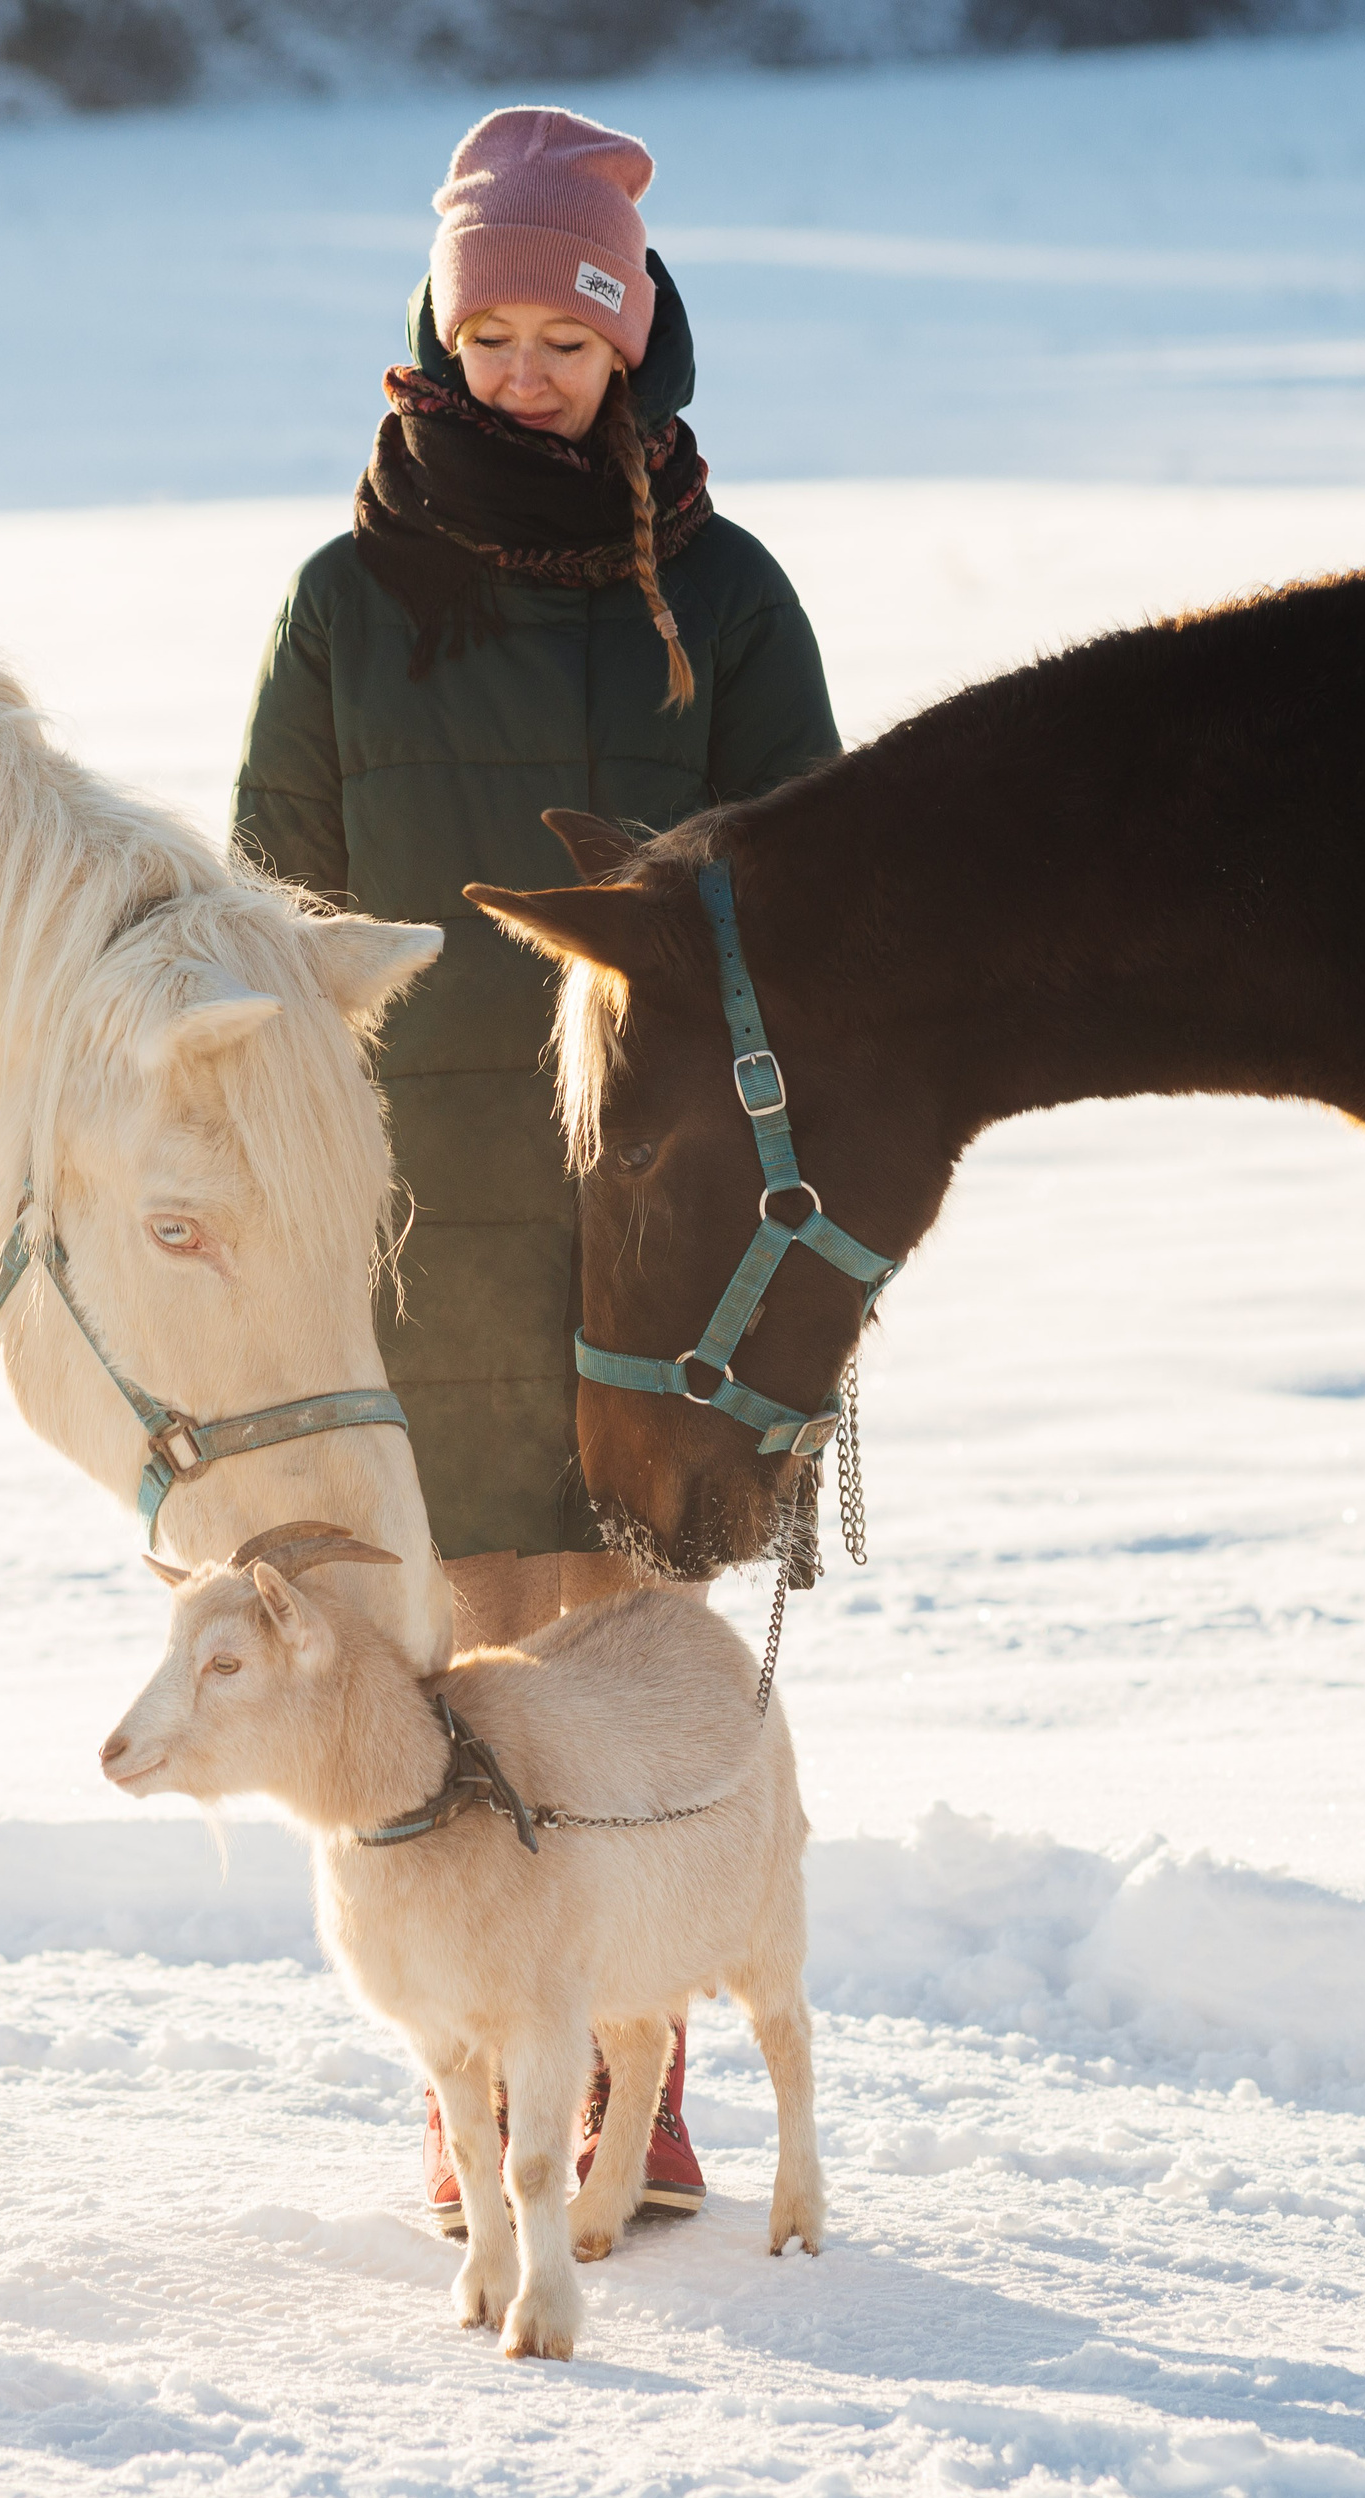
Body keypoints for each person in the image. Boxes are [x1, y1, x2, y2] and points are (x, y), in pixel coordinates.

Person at [231, 104, 838, 2233]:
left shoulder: (722, 596)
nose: (521, 375)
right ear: (435, 333)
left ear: (631, 342)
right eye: (485, 337)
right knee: (448, 1648)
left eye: (564, 342)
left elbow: (812, 882)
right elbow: (270, 903)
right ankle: (480, 2074)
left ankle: (636, 2072)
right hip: (415, 1209)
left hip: (649, 1204)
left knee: (630, 1647)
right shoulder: (348, 598)